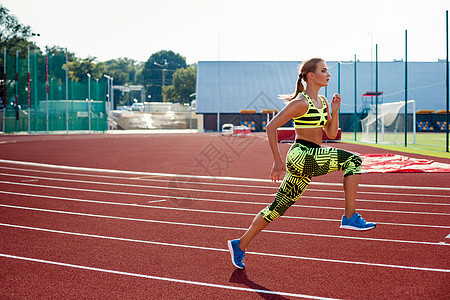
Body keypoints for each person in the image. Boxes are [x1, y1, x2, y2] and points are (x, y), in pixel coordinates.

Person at [227, 58, 376, 269]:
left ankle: (239, 245)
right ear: (311, 76)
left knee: (277, 208)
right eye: (324, 70)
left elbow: (331, 134)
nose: (328, 74)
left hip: (313, 155)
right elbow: (271, 127)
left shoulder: (323, 101)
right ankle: (350, 217)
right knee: (353, 160)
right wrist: (277, 161)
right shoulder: (300, 102)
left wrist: (334, 110)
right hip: (301, 154)